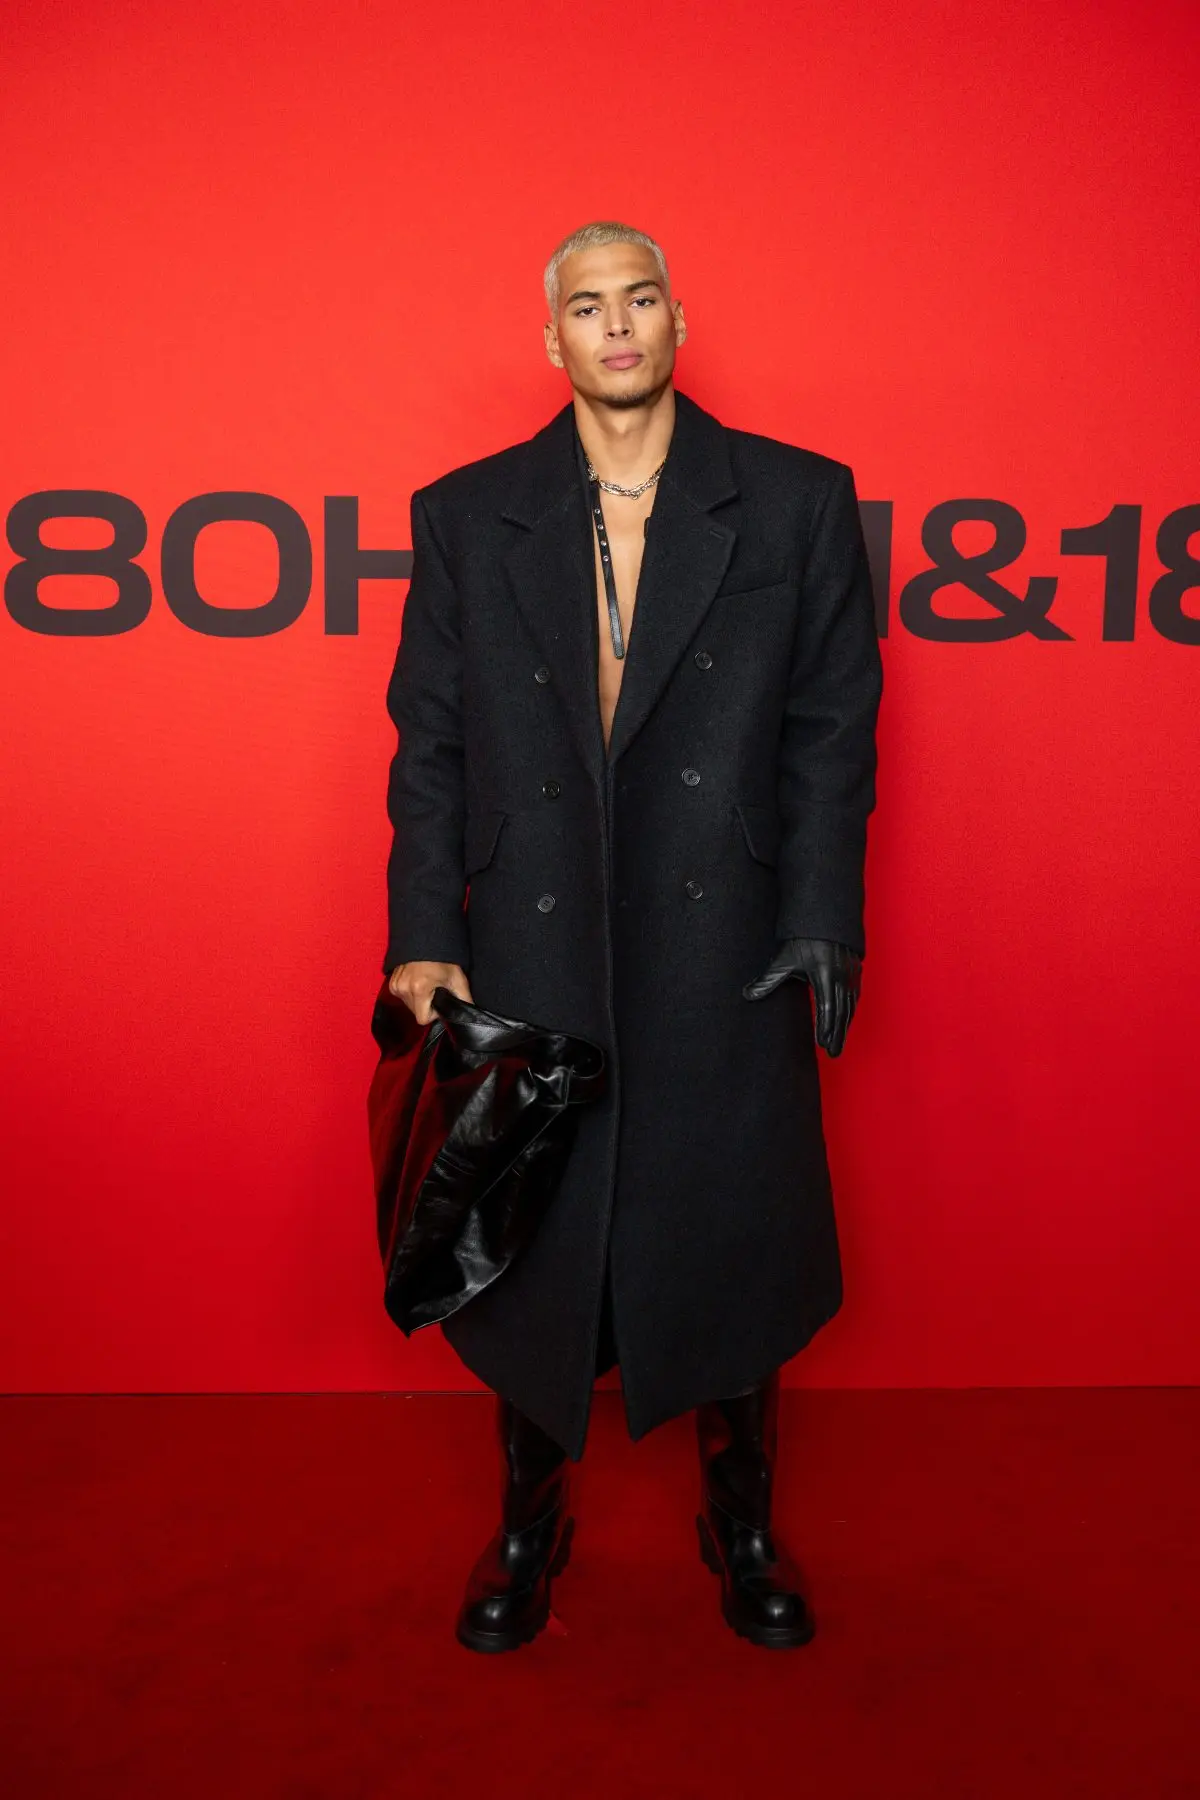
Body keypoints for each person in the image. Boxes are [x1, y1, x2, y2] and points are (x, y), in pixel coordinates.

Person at [382, 220, 883, 1652]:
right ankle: (530, 1523)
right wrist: (422, 927)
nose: (617, 325)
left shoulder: (795, 498)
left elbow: (832, 728)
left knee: (729, 1224)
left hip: (724, 932)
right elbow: (430, 740)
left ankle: (742, 1520)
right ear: (552, 340)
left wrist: (821, 913)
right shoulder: (467, 512)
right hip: (532, 923)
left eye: (640, 298)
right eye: (589, 306)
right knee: (529, 1232)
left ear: (676, 322)